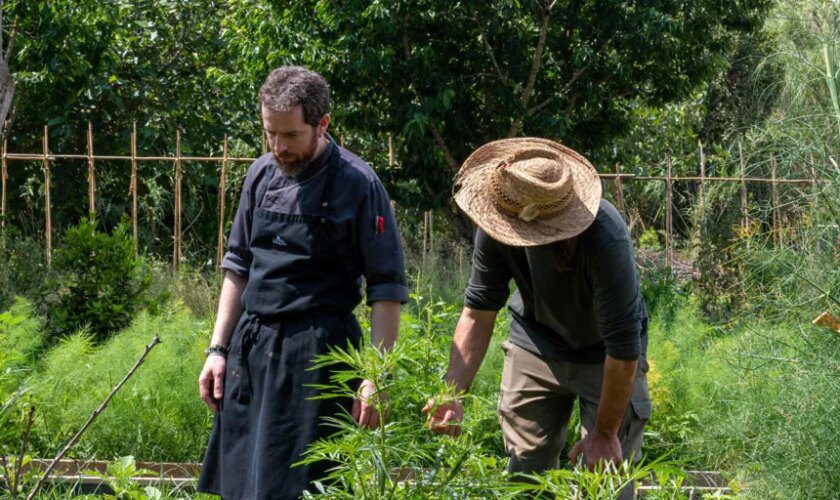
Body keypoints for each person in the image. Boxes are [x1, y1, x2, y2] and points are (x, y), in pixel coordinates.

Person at [197, 66, 408, 500]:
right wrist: (218, 350)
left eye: (290, 135)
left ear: (322, 123)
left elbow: (386, 289)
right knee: (241, 487)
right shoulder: (259, 175)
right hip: (252, 352)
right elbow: (237, 265)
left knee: (306, 487)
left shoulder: (359, 184)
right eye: (270, 133)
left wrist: (375, 376)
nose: (278, 146)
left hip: (320, 359)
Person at [423, 138, 650, 499]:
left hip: (605, 354)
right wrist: (451, 394)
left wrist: (605, 434)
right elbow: (478, 311)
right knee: (526, 476)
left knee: (608, 480)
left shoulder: (605, 237)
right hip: (536, 342)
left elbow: (624, 346)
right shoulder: (500, 216)